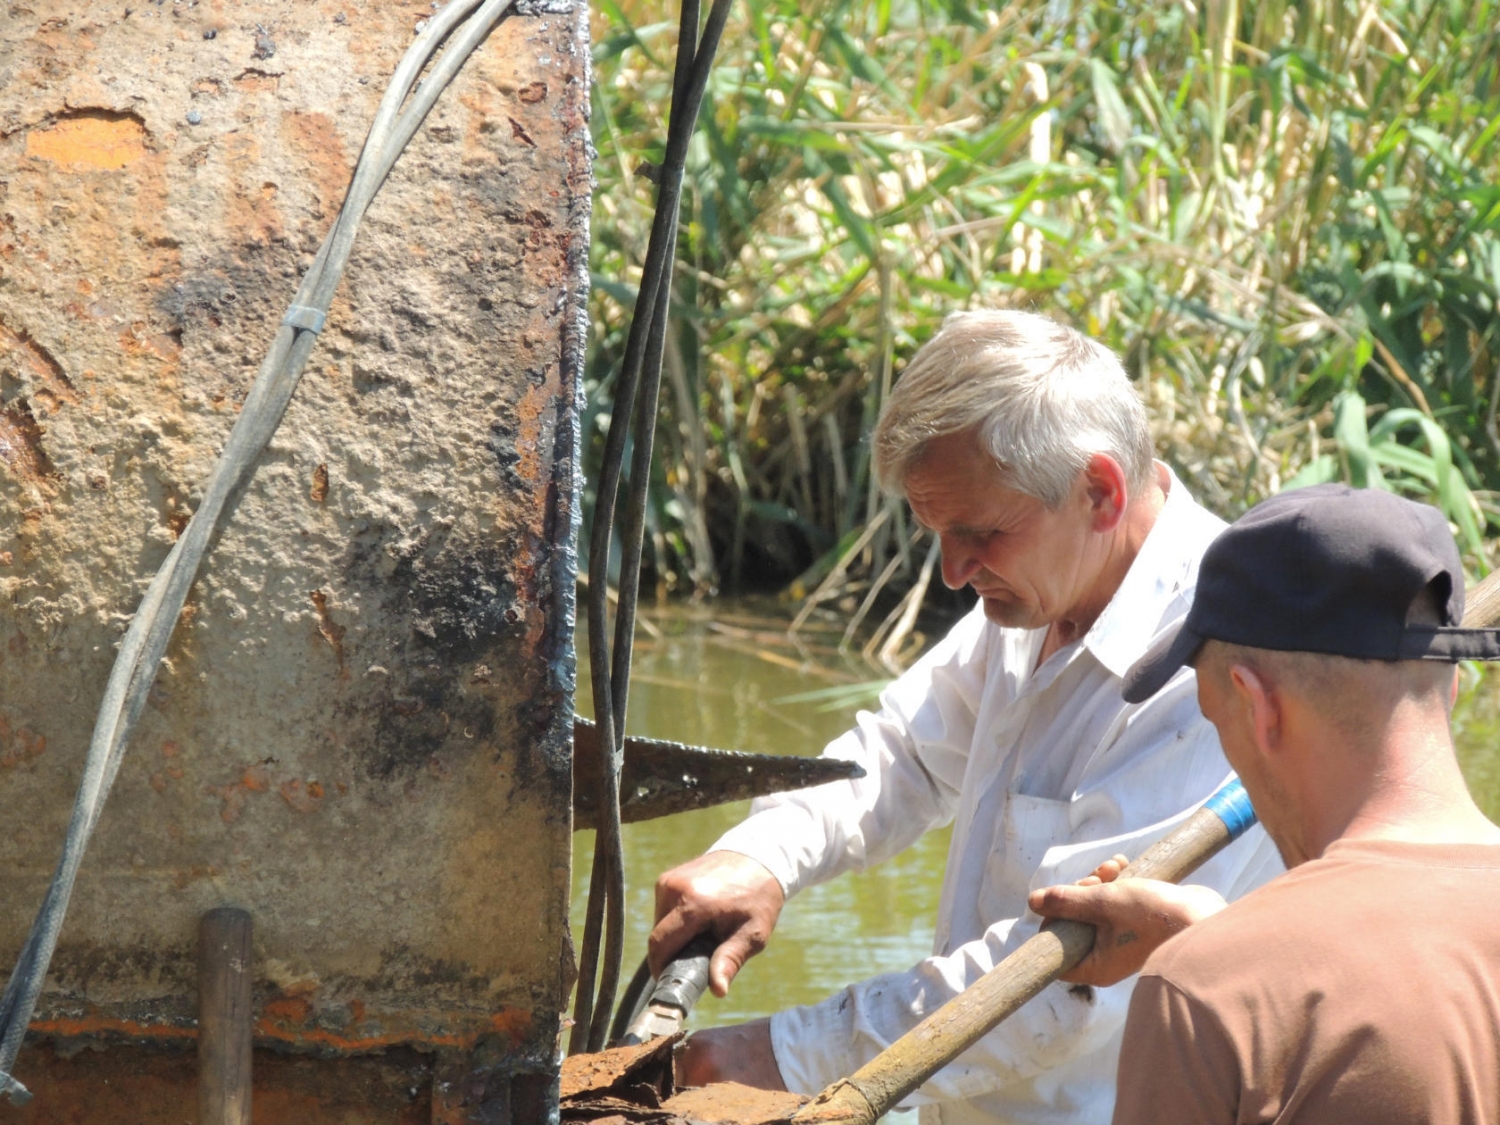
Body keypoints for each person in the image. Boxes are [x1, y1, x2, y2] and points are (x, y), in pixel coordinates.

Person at [649, 309, 1282, 1124]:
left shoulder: (1212, 671)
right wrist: (760, 856)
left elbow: (1060, 978)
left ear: (1099, 491)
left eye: (980, 532)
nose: (953, 572)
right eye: (937, 533)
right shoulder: (1036, 596)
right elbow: (902, 756)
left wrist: (776, 1055)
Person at [1030, 483, 1500, 1124]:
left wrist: (1221, 960)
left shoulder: (1205, 992)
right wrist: (1216, 936)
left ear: (1256, 704)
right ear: (1445, 692)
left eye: (1212, 715)